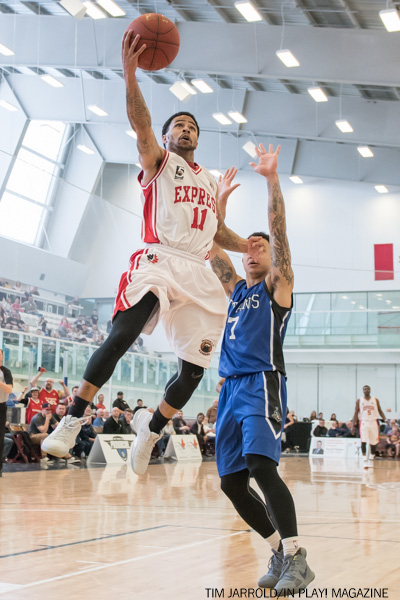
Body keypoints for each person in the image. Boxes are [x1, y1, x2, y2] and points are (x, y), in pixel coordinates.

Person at [42, 29, 256, 474]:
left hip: (198, 272)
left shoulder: (208, 179)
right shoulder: (159, 162)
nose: (186, 129)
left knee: (193, 371)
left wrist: (246, 244)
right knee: (123, 334)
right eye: (179, 125)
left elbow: (216, 233)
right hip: (158, 259)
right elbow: (140, 123)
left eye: (192, 126)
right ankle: (72, 419)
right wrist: (130, 76)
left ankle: (152, 429)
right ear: (164, 137)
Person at [209, 144, 314, 594]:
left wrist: (271, 180)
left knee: (260, 466)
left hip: (261, 384)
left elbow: (279, 232)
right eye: (248, 248)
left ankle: (296, 557)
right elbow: (211, 246)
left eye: (261, 248)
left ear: (273, 258)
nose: (253, 252)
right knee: (232, 483)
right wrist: (218, 206)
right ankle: (277, 549)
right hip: (230, 390)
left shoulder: (277, 287)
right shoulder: (235, 290)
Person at [352, 385, 386, 466]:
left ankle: (371, 457)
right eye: (364, 389)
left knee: (373, 442)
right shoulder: (359, 400)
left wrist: (385, 419)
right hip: (364, 421)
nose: (366, 390)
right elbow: (356, 413)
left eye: (367, 389)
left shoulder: (375, 399)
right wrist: (353, 425)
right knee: (363, 440)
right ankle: (364, 458)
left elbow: (380, 410)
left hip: (373, 421)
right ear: (363, 391)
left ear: (370, 390)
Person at [0, 348, 13, 477]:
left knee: (0, 438)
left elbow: (9, 389)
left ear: (2, 357)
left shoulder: (5, 372)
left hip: (1, 406)